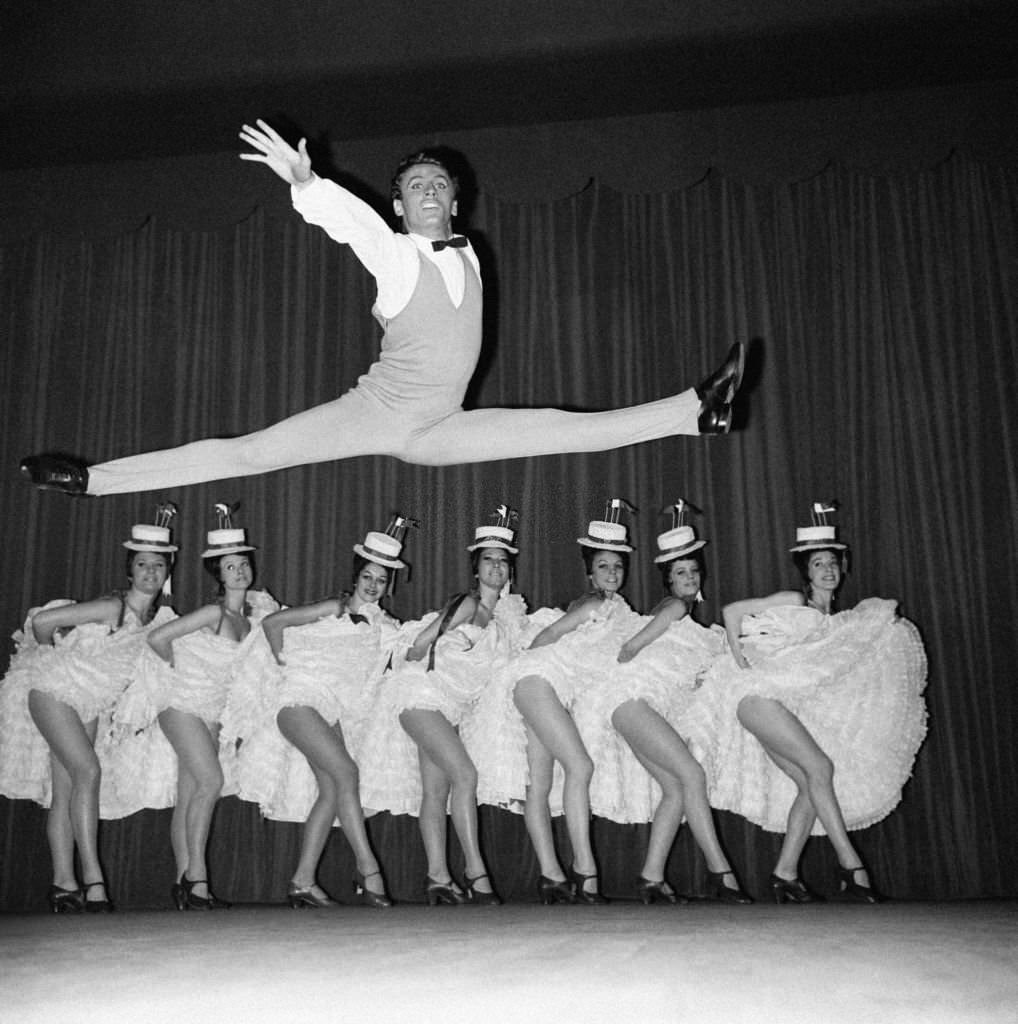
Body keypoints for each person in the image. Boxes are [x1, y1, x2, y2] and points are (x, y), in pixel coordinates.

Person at [21, 119, 747, 497]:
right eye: (416, 185)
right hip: (377, 410)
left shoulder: (470, 252)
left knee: (563, 429)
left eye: (440, 181)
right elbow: (356, 227)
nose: (430, 189)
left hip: (442, 428)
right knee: (247, 454)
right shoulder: (397, 251)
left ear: (455, 200)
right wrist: (309, 185)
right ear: (401, 206)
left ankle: (696, 413)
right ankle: (92, 480)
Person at [686, 505, 928, 903]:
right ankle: (852, 867)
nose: (827, 571)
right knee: (820, 768)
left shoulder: (837, 622)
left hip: (772, 703)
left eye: (832, 563)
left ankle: (785, 873)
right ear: (807, 570)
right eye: (819, 564)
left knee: (808, 784)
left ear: (842, 568)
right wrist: (738, 656)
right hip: (754, 696)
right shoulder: (796, 600)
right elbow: (731, 611)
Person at [222, 519, 411, 909]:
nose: (372, 585)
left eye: (381, 579)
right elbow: (274, 623)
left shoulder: (386, 628)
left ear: (389, 585)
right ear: (355, 577)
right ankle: (368, 869)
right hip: (297, 702)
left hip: (330, 711)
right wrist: (283, 663)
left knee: (332, 790)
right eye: (366, 576)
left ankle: (303, 882)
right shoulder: (334, 607)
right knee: (347, 774)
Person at [0, 508, 178, 912]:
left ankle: (64, 885)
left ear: (168, 571)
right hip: (55, 691)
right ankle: (95, 881)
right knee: (89, 772)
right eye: (142, 564)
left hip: (90, 702)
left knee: (64, 792)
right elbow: (43, 621)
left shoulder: (152, 620)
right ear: (129, 571)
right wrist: (49, 660)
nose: (150, 572)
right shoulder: (111, 607)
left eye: (158, 565)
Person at [576, 507, 752, 904]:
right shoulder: (676, 607)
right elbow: (637, 642)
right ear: (668, 581)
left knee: (674, 787)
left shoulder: (688, 618)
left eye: (693, 572)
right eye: (680, 574)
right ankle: (720, 873)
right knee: (690, 773)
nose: (689, 579)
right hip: (631, 701)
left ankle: (651, 876)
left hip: (631, 706)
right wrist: (629, 651)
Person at [359, 506, 529, 905]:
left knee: (435, 793)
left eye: (503, 562)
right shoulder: (467, 604)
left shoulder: (502, 621)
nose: (497, 568)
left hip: (448, 709)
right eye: (489, 560)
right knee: (466, 777)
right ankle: (476, 873)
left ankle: (438, 877)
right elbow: (419, 646)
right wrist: (454, 652)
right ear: (476, 567)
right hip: (421, 698)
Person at [109, 507, 276, 910]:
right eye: (229, 566)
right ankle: (197, 879)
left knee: (190, 795)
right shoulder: (213, 612)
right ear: (218, 574)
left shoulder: (250, 620)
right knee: (210, 782)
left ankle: (181, 881)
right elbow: (159, 639)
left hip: (211, 711)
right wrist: (176, 676)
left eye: (243, 565)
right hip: (181, 703)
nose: (238, 572)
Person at [500, 499, 644, 904]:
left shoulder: (617, 609)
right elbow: (545, 639)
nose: (612, 572)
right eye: (603, 566)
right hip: (538, 680)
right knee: (579, 766)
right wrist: (530, 664)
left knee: (542, 785)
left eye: (617, 566)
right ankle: (586, 872)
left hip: (548, 688)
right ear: (589, 572)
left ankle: (551, 876)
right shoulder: (595, 604)